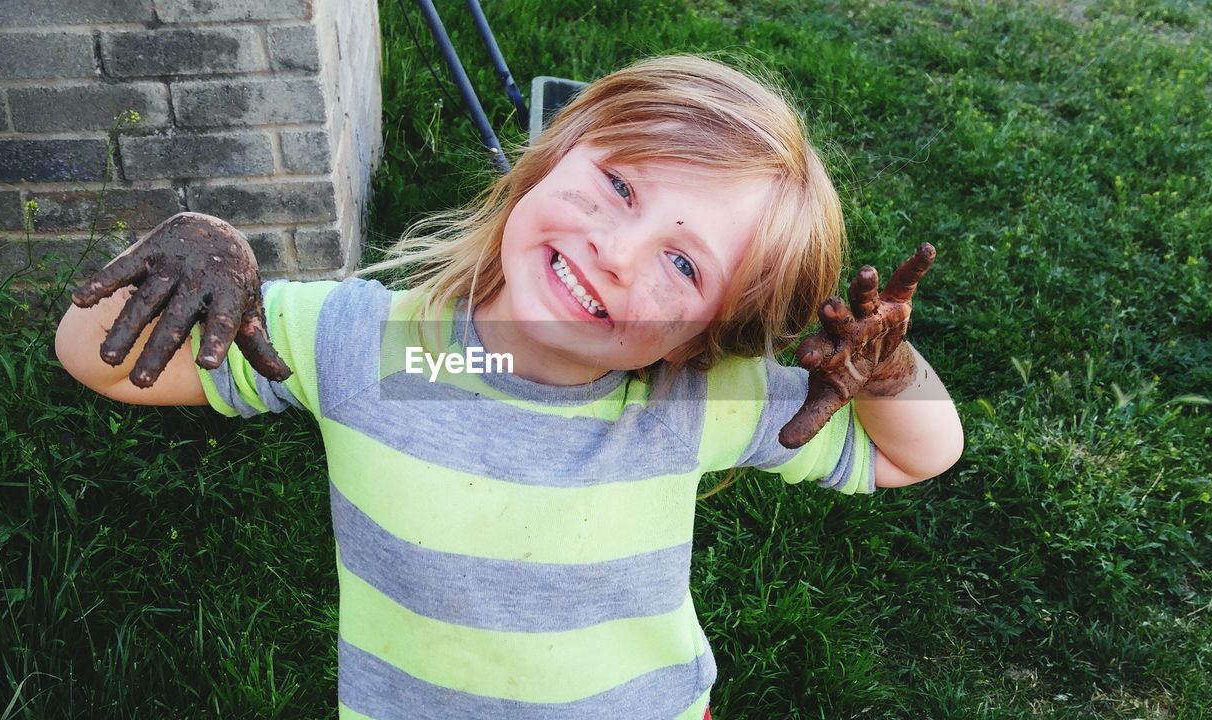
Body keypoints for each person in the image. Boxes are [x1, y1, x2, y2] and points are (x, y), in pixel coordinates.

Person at [55, 55, 963, 720]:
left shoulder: (692, 400)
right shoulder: (381, 354)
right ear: (552, 155)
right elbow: (95, 360)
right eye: (617, 184)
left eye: (683, 264)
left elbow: (916, 454)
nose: (615, 247)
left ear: (707, 334)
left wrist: (889, 369)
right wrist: (187, 249)